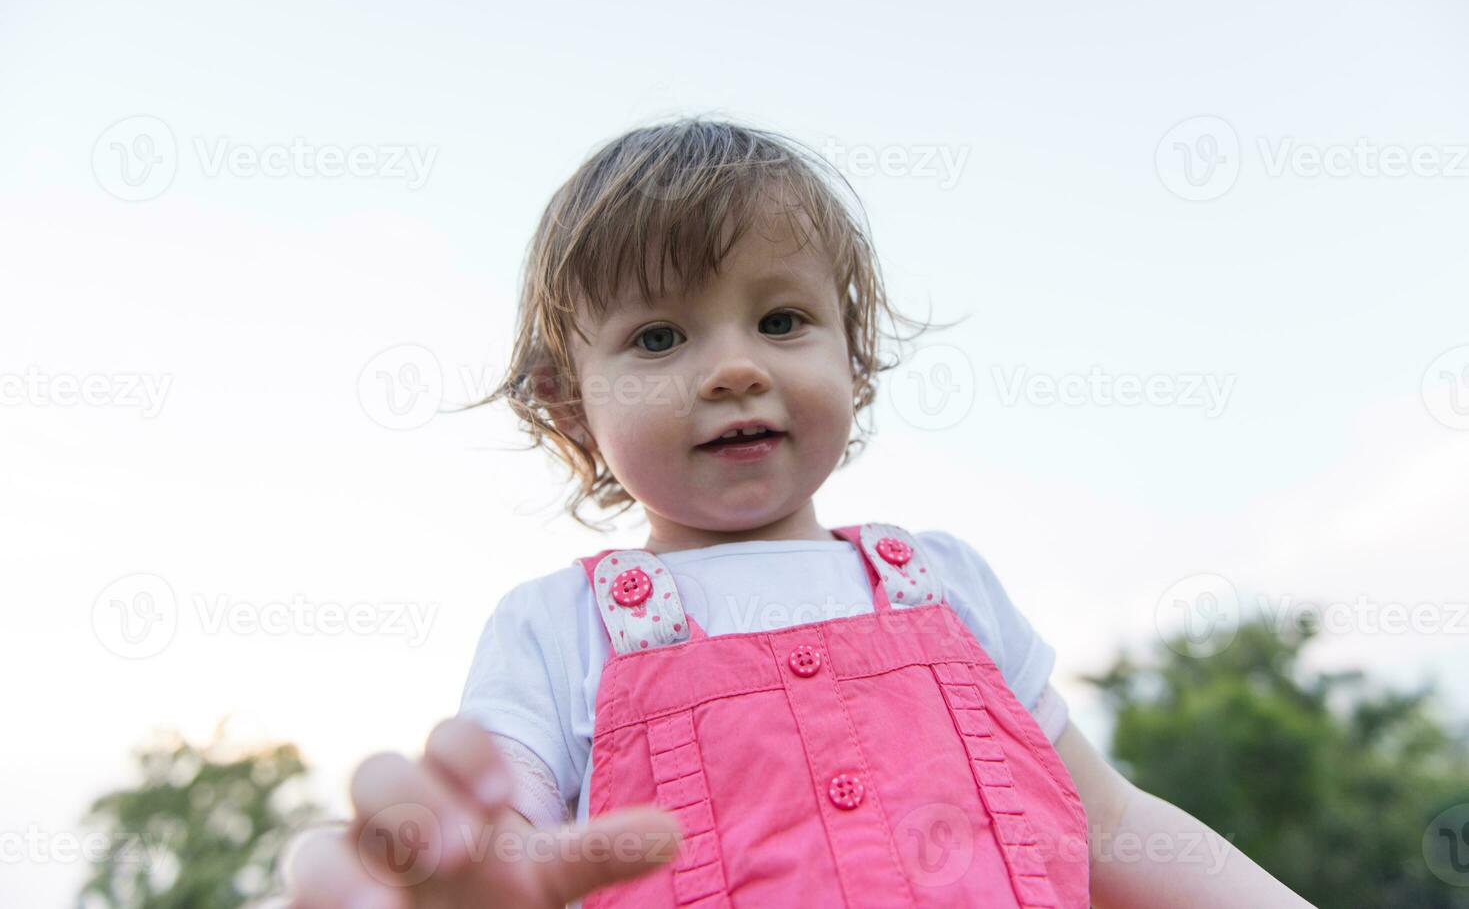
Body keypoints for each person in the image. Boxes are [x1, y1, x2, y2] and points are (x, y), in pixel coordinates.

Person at [282, 118, 1315, 908]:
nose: (734, 366)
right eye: (656, 337)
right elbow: (498, 828)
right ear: (569, 403)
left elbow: (1114, 821)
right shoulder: (557, 630)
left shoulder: (946, 583)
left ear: (851, 360)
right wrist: (455, 863)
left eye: (781, 320)